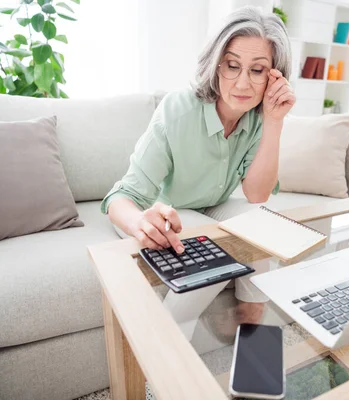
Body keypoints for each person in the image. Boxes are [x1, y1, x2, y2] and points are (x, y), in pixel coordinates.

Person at [100, 6, 295, 327]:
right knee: (211, 245)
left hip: (215, 207)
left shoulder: (260, 117)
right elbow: (120, 197)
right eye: (232, 66)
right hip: (174, 211)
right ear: (215, 65)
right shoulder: (177, 110)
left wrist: (275, 123)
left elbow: (257, 194)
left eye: (258, 71)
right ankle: (164, 361)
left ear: (274, 76)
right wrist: (139, 224)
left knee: (261, 230)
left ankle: (254, 355)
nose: (242, 83)